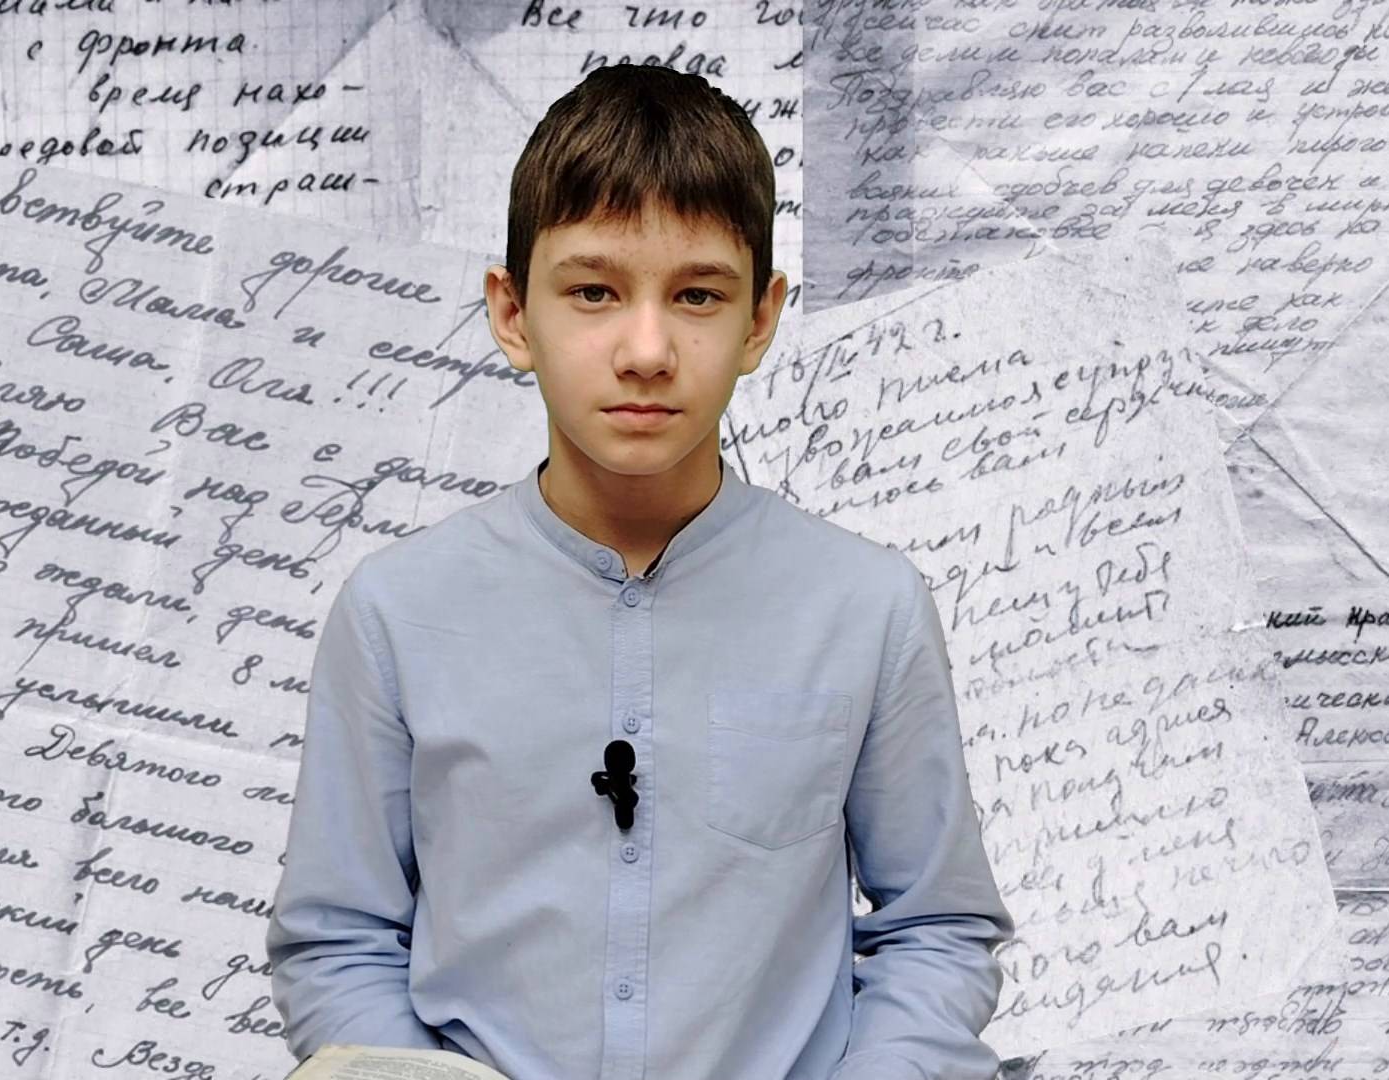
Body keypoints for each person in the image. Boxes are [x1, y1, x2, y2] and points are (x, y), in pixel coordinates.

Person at [265, 62, 1016, 1080]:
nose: (648, 349)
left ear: (760, 320)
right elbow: (337, 943)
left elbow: (937, 927)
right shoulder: (395, 613)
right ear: (512, 314)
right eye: (594, 292)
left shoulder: (868, 608)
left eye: (698, 295)